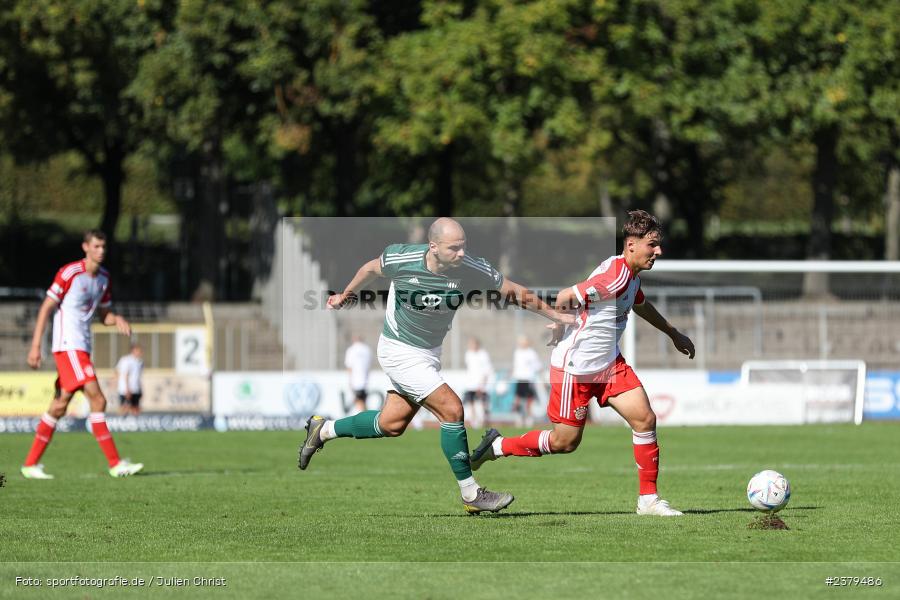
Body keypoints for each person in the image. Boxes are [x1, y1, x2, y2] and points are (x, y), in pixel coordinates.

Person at [299, 217, 574, 514]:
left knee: (391, 424)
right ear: (433, 247)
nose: (461, 254)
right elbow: (369, 269)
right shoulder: (401, 257)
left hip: (429, 354)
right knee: (453, 409)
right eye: (454, 248)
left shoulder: (470, 268)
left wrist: (554, 315)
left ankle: (324, 429)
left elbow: (512, 291)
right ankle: (471, 494)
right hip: (398, 349)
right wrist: (345, 295)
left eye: (463, 247)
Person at [470, 210, 695, 516]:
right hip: (575, 369)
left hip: (609, 365)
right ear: (631, 245)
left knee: (644, 419)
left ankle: (649, 500)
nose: (659, 251)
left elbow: (640, 303)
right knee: (565, 442)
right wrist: (561, 325)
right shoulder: (613, 277)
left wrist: (672, 333)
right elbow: (565, 296)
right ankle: (497, 447)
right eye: (652, 244)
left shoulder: (629, 277)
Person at [21, 230, 144, 479]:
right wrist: (36, 346)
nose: (101, 251)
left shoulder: (104, 278)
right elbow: (46, 307)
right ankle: (116, 463)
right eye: (96, 246)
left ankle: (30, 465)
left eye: (104, 247)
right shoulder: (70, 273)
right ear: (85, 247)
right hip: (68, 345)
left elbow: (104, 315)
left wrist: (117, 318)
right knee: (98, 400)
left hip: (82, 347)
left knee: (59, 406)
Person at [510, 335, 543, 427]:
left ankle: (529, 419)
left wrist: (541, 376)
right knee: (518, 399)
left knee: (529, 400)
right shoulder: (517, 352)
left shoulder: (531, 353)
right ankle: (519, 418)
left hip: (528, 378)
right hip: (519, 378)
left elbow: (537, 365)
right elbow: (515, 365)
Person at [463, 337, 493, 429]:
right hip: (470, 384)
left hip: (480, 383)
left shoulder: (483, 354)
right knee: (470, 402)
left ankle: (483, 421)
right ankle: (474, 422)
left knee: (482, 403)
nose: (471, 346)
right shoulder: (468, 354)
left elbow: (487, 370)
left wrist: (483, 383)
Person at [344, 335, 373, 413]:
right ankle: (367, 418)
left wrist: (350, 381)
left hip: (356, 381)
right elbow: (369, 365)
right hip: (365, 380)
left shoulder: (351, 350)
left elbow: (349, 367)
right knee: (362, 401)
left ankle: (366, 420)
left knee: (359, 402)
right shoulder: (367, 349)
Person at [116, 343, 144, 416]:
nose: (140, 352)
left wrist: (141, 389)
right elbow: (125, 375)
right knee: (124, 407)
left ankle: (134, 424)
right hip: (126, 389)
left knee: (136, 408)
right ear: (133, 350)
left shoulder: (140, 362)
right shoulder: (126, 360)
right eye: (138, 350)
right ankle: (121, 423)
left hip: (136, 388)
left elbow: (138, 377)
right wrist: (127, 389)